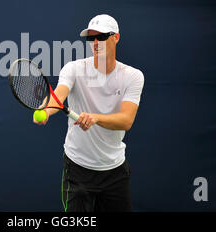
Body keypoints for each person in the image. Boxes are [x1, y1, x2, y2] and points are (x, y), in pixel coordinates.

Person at [33, 14, 144, 212]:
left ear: (116, 37)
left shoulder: (133, 76)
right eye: (91, 38)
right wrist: (46, 111)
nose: (95, 43)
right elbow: (58, 97)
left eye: (101, 37)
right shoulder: (74, 69)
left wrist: (95, 118)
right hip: (77, 169)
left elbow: (126, 120)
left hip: (114, 171)